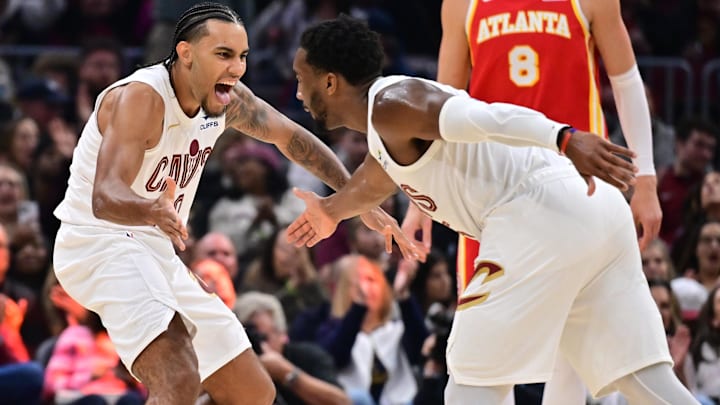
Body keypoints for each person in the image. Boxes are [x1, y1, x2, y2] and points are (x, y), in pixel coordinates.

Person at [285, 15, 698, 404]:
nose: (299, 93)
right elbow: (371, 182)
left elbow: (487, 115)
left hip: (538, 209)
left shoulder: (397, 102)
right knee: (643, 376)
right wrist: (330, 210)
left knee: (470, 374)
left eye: (302, 81)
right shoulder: (384, 128)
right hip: (594, 211)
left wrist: (566, 138)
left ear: (331, 82)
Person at [51, 4, 411, 405]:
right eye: (223, 55)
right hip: (99, 242)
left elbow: (293, 139)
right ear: (186, 53)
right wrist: (151, 209)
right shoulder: (141, 99)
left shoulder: (229, 100)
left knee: (252, 392)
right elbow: (105, 198)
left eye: (242, 56)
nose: (237, 68)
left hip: (153, 250)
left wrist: (352, 200)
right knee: (179, 376)